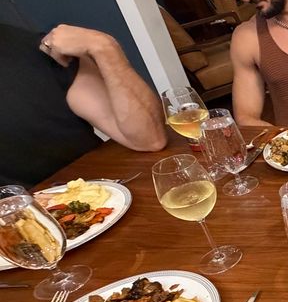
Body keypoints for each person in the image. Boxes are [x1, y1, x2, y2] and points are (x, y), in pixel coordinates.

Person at [0, 24, 167, 187]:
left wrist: (103, 47)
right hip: (18, 211)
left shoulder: (39, 50)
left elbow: (151, 139)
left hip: (99, 198)